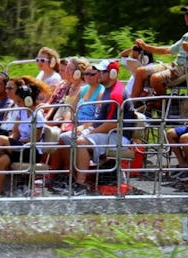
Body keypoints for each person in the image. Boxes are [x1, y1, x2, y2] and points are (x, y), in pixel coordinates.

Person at [48, 60, 135, 196]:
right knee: (64, 137)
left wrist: (91, 131)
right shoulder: (107, 90)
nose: (98, 75)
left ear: (112, 73)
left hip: (117, 135)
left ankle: (80, 183)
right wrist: (86, 129)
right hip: (104, 131)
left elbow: (114, 124)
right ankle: (69, 176)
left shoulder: (115, 95)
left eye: (101, 72)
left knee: (81, 141)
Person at [129, 1, 188, 104]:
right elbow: (169, 50)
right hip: (174, 66)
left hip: (186, 70)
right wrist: (146, 47)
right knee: (140, 71)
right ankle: (131, 106)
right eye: (185, 13)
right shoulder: (187, 35)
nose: (186, 16)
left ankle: (161, 105)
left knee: (156, 78)